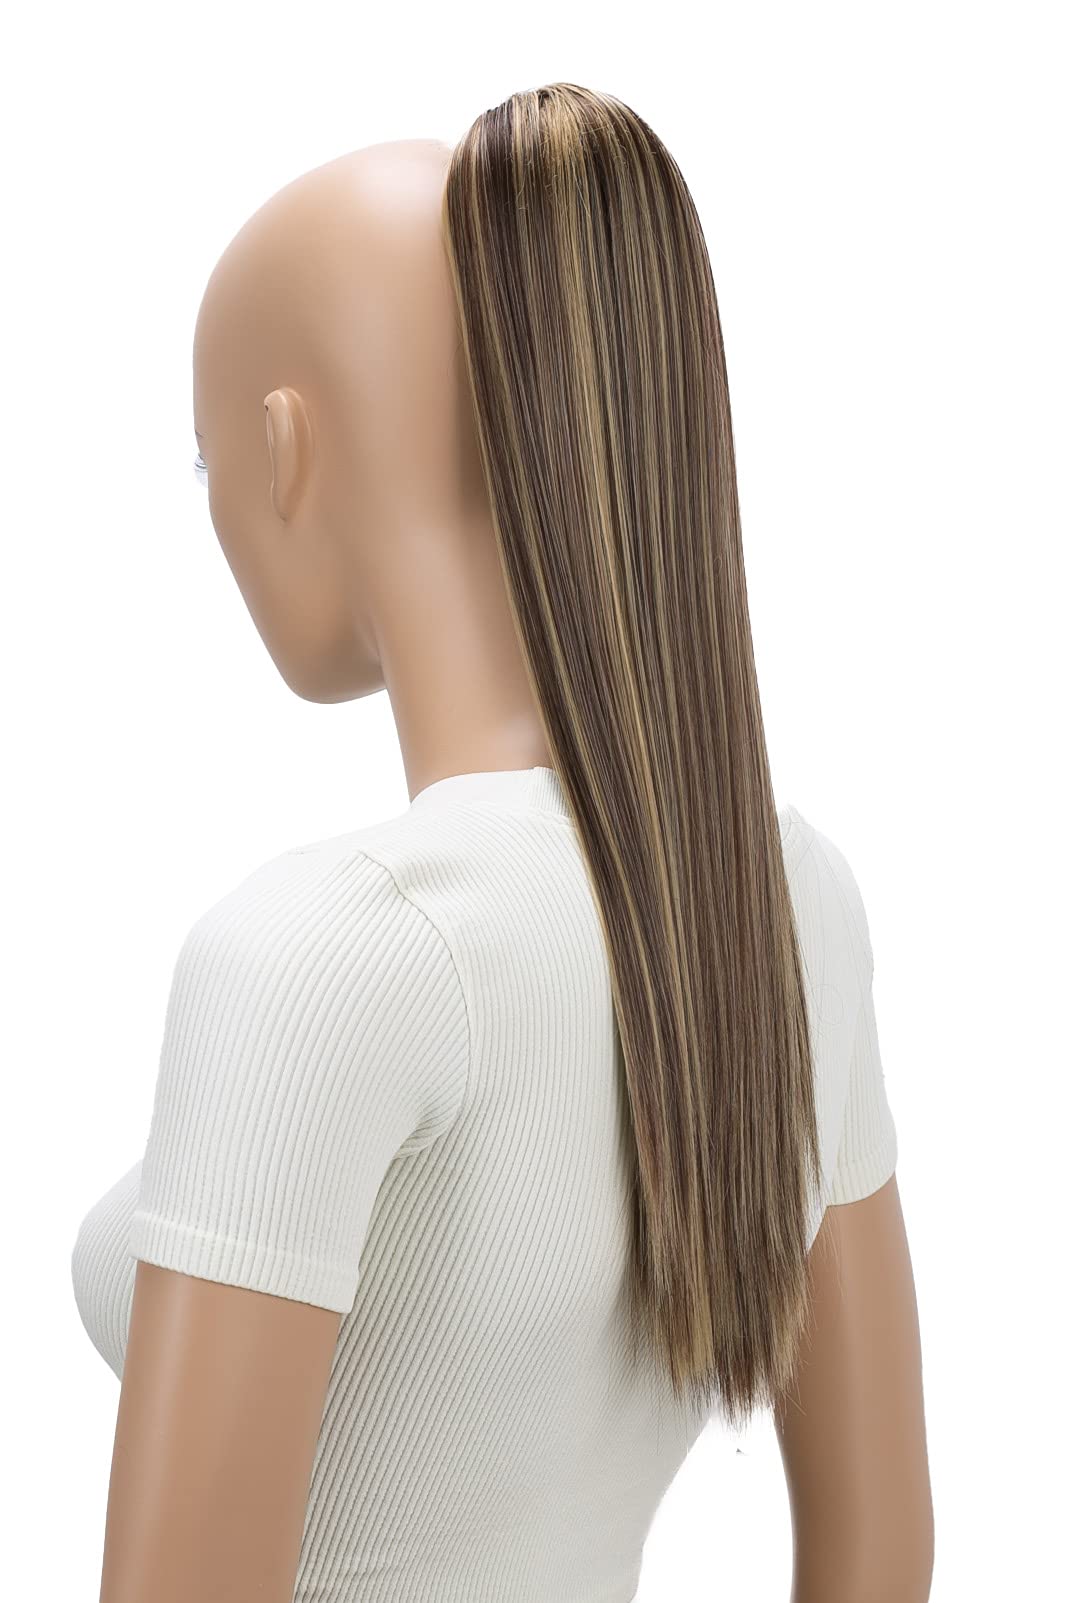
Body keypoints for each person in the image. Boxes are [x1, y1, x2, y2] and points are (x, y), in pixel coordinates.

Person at [71, 83, 934, 1603]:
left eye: (208, 463)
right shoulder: (788, 897)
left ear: (286, 449)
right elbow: (880, 1555)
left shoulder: (322, 956)